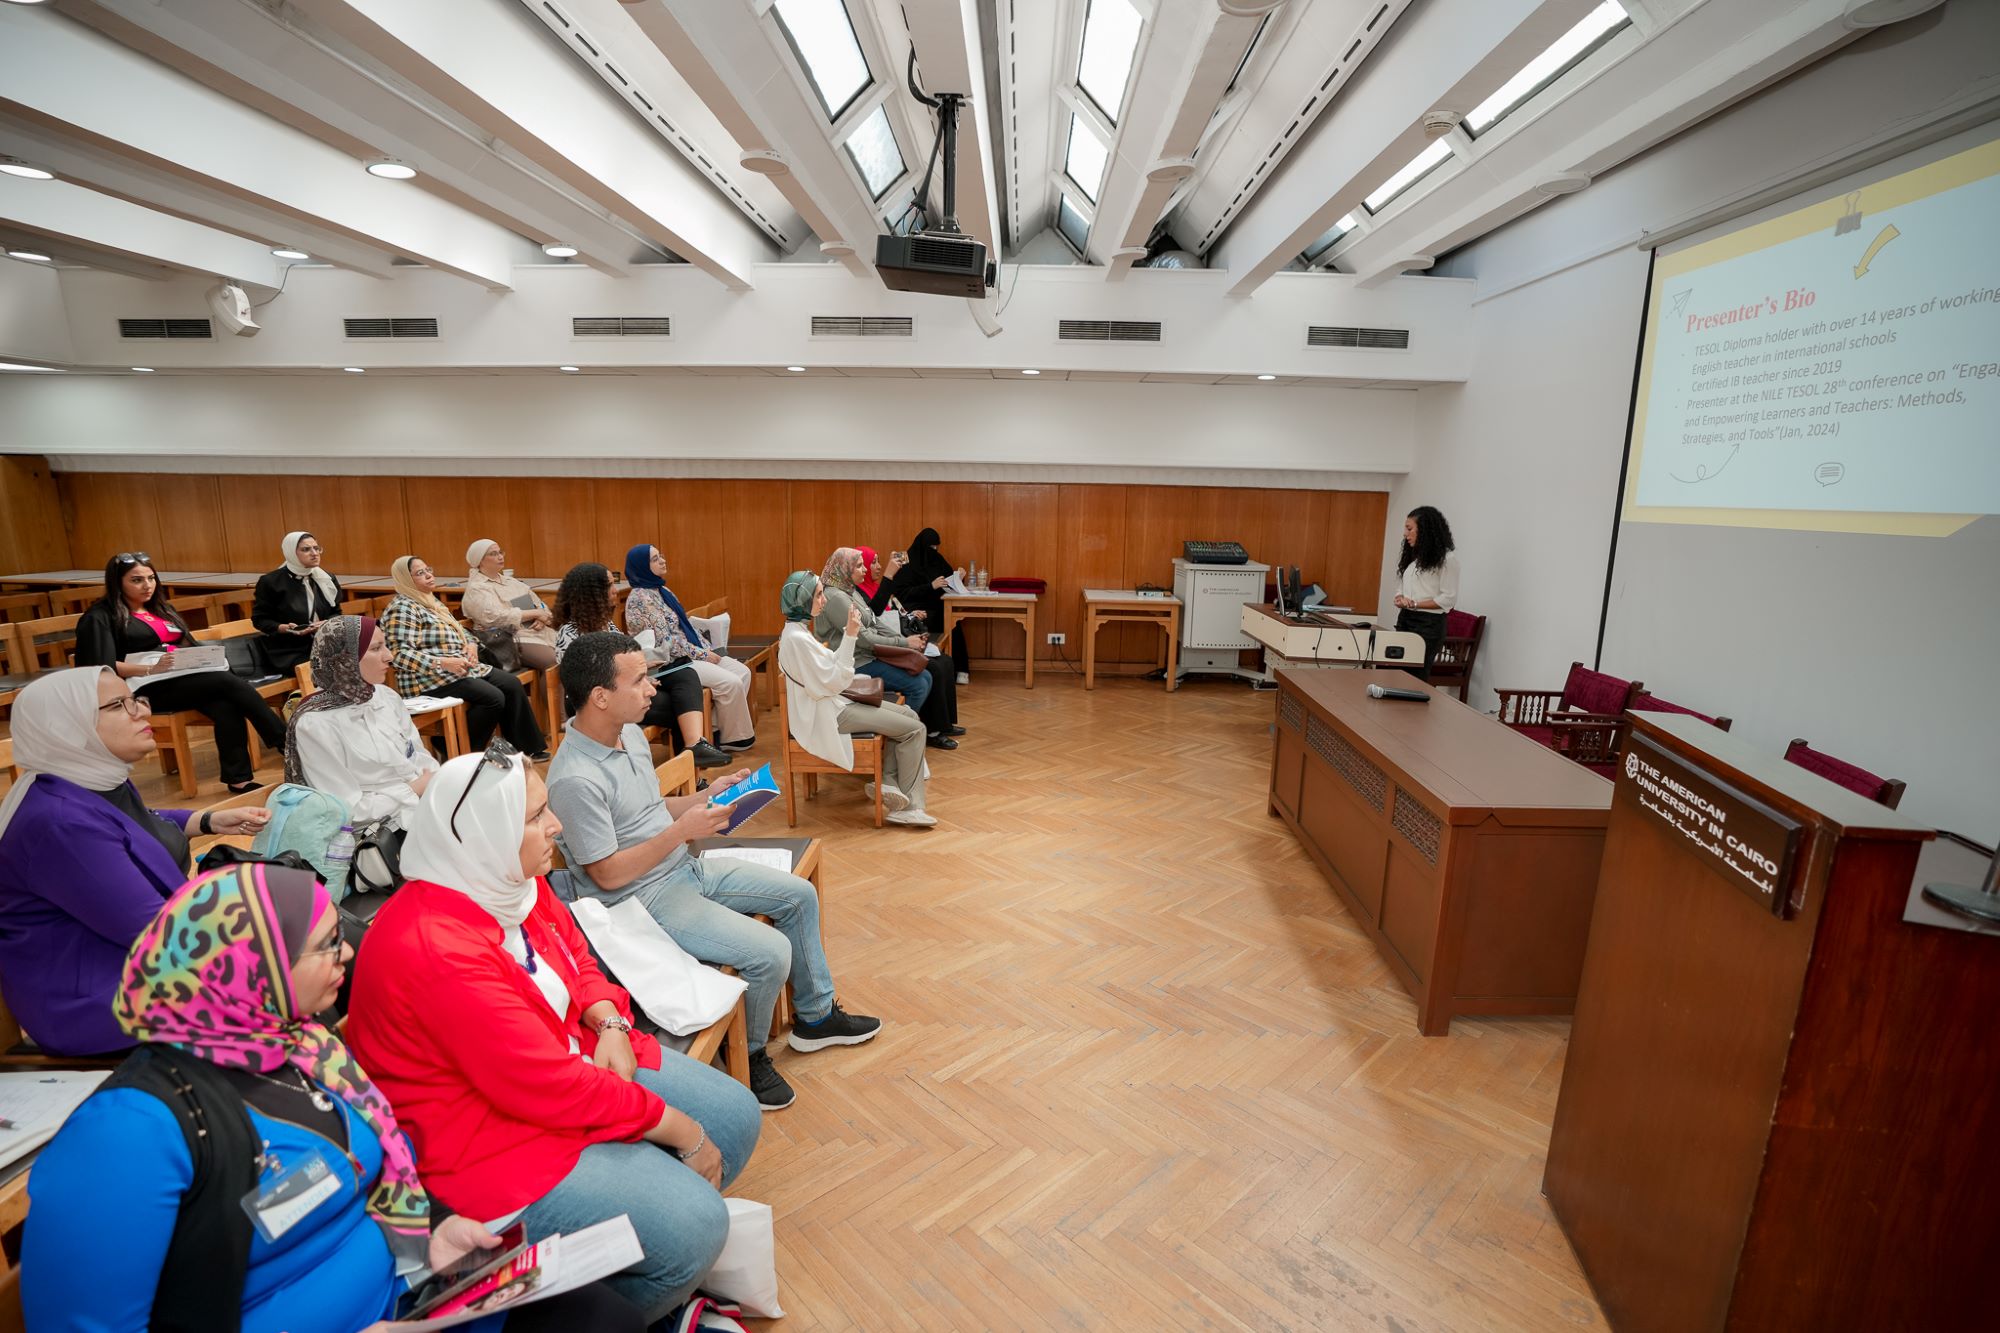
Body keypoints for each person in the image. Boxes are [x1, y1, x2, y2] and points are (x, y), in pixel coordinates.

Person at [22, 861, 644, 1333]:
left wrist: (432, 1234)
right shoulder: (129, 1133)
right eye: (324, 944)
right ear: (252, 970)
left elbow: (359, 1180)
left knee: (604, 1316)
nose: (346, 950)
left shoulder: (303, 1049)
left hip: (404, 1298)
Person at [347, 746, 761, 1322]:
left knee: (737, 1119)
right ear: (486, 833)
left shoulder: (509, 880)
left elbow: (576, 954)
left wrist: (609, 1018)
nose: (556, 825)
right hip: (484, 1140)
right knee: (696, 1224)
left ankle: (631, 1268)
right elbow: (546, 1086)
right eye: (536, 815)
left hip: (567, 1061)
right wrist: (681, 1132)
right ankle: (634, 1307)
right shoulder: (434, 946)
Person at [546, 631, 883, 1112]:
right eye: (640, 680)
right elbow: (607, 875)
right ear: (600, 696)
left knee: (798, 896)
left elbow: (646, 810)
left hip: (679, 867)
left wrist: (706, 798)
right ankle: (745, 1057)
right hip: (639, 902)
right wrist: (682, 831)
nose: (652, 689)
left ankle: (815, 1017)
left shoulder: (628, 734)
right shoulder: (574, 778)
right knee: (769, 953)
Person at [0, 667, 269, 1057]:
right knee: (292, 971)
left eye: (136, 699)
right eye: (118, 706)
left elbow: (130, 821)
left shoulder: (90, 779)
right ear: (66, 726)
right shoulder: (60, 824)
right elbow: (159, 933)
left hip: (134, 963)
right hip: (99, 999)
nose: (142, 712)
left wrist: (203, 820)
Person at [75, 552, 287, 793]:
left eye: (151, 578)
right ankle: (286, 742)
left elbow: (186, 643)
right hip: (143, 686)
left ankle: (238, 779)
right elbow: (100, 666)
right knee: (227, 684)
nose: (147, 585)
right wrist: (150, 668)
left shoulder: (161, 608)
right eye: (137, 580)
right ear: (117, 582)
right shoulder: (101, 616)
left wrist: (202, 658)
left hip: (181, 677)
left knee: (225, 704)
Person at [779, 572, 935, 827]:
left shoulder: (796, 632)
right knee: (915, 730)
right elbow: (836, 680)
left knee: (909, 715)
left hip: (833, 705)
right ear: (803, 600)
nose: (824, 600)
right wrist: (851, 635)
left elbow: (831, 670)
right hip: (829, 715)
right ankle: (910, 806)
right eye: (818, 595)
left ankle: (889, 783)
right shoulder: (797, 639)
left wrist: (849, 637)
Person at [553, 561, 728, 769]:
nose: (615, 591)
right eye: (609, 585)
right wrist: (637, 682)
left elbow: (622, 658)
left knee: (684, 672)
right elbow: (587, 681)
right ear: (592, 593)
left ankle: (694, 746)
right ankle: (690, 767)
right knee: (680, 707)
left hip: (625, 688)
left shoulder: (605, 623)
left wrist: (641, 674)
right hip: (597, 700)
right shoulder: (569, 633)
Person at [287, 615, 438, 852]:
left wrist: (436, 785)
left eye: (385, 645)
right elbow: (346, 810)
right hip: (374, 836)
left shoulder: (385, 697)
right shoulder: (315, 723)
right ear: (345, 659)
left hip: (419, 808)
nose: (389, 656)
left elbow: (418, 757)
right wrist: (412, 790)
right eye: (376, 648)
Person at [381, 555, 547, 757]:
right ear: (405, 579)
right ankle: (459, 751)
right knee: (493, 698)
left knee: (510, 684)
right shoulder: (402, 608)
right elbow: (399, 655)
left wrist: (471, 644)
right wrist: (442, 663)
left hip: (458, 669)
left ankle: (528, 750)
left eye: (428, 569)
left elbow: (460, 630)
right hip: (427, 679)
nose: (428, 575)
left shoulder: (431, 602)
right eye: (419, 573)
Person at [620, 544, 755, 755]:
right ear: (642, 566)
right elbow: (666, 642)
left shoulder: (661, 589)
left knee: (743, 672)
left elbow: (685, 626)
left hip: (690, 652)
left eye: (661, 556)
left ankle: (712, 729)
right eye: (656, 559)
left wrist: (707, 647)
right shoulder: (640, 599)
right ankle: (733, 739)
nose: (663, 561)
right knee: (731, 683)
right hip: (671, 662)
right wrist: (702, 654)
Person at [836, 546, 964, 749]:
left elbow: (882, 618)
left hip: (881, 646)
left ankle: (942, 724)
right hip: (868, 655)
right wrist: (905, 643)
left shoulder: (856, 592)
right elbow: (872, 623)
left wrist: (907, 636)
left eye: (867, 564)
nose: (870, 569)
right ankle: (916, 731)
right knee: (931, 671)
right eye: (868, 564)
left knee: (945, 662)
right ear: (847, 569)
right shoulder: (847, 595)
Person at [815, 547, 931, 717]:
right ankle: (902, 731)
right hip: (854, 664)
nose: (865, 569)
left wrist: (901, 639)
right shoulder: (836, 597)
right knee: (919, 684)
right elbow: (865, 639)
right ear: (844, 568)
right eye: (859, 566)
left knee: (926, 676)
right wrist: (906, 643)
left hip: (867, 656)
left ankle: (907, 729)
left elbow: (873, 621)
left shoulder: (850, 589)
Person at [885, 526, 969, 684]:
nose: (934, 550)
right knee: (927, 620)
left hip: (938, 605)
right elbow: (901, 593)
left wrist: (959, 577)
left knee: (953, 622)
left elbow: (948, 579)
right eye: (931, 547)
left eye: (936, 547)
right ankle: (926, 666)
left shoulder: (937, 558)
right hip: (913, 607)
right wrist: (930, 586)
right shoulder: (903, 558)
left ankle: (961, 669)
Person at [253, 531, 345, 673]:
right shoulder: (271, 582)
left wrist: (326, 623)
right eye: (306, 549)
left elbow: (336, 613)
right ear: (291, 553)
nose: (314, 553)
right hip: (288, 650)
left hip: (323, 643)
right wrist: (286, 628)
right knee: (325, 668)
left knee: (357, 659)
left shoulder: (326, 578)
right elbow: (260, 620)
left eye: (316, 548)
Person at [463, 539, 559, 671]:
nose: (500, 556)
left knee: (572, 652)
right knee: (553, 661)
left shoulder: (512, 582)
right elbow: (495, 617)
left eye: (500, 552)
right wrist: (536, 613)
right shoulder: (477, 588)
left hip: (536, 631)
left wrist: (540, 618)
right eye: (493, 554)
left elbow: (540, 605)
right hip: (507, 639)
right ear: (479, 561)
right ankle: (548, 693)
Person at [1391, 505, 1460, 678]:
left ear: (1425, 530)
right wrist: (1400, 597)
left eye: (1409, 529)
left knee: (1415, 676)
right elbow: (1402, 587)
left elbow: (1448, 599)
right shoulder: (1414, 558)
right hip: (1406, 619)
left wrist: (1415, 604)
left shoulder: (1447, 560)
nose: (1405, 534)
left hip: (1428, 625)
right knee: (1396, 672)